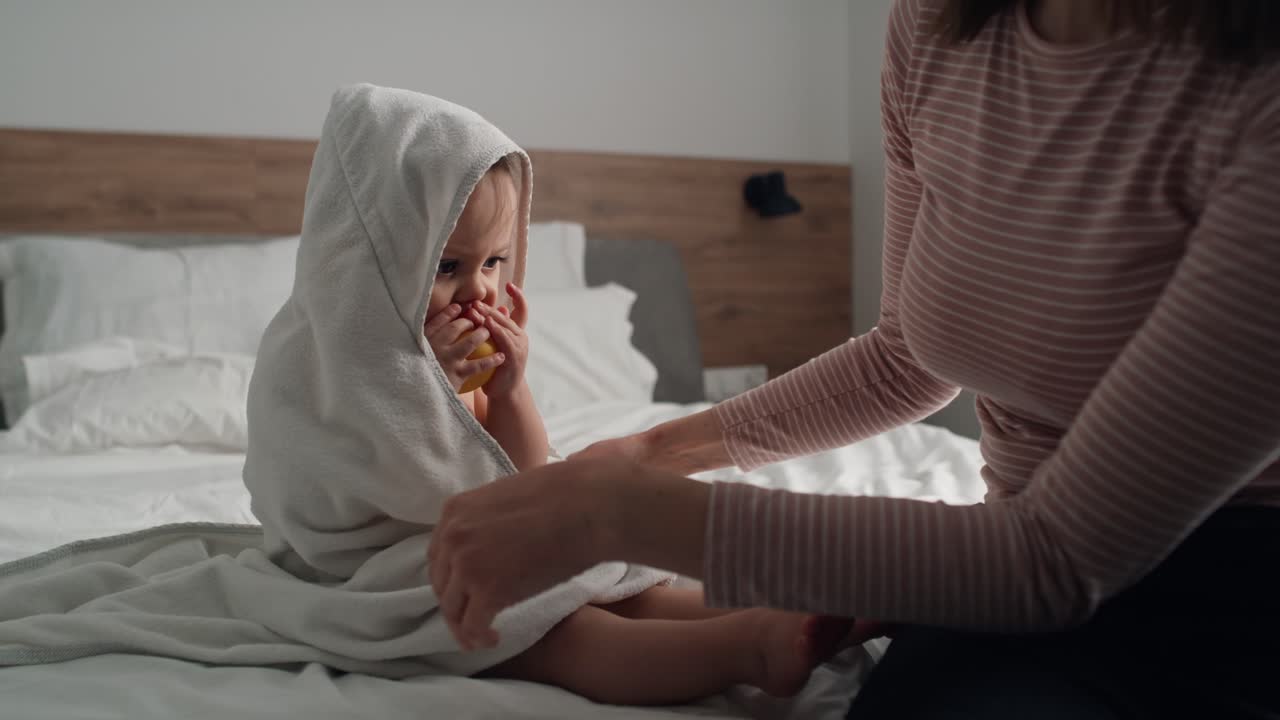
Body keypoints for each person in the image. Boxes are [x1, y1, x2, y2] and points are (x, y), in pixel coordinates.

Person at [428, 0, 1280, 716]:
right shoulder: (941, 32)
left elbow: (1056, 559)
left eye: (492, 262)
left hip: (1226, 600)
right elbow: (904, 359)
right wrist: (654, 453)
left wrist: (613, 512)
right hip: (1006, 570)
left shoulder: (1256, 95)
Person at [425, 159, 851, 704]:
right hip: (425, 563)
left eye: (493, 263)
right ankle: (747, 649)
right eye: (448, 266)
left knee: (636, 596)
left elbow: (522, 470)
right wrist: (424, 384)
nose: (478, 291)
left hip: (502, 537)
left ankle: (794, 614)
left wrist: (510, 389)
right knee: (565, 633)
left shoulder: (474, 364)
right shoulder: (357, 369)